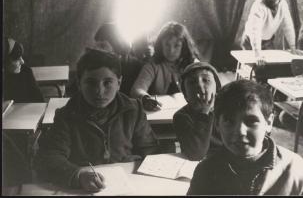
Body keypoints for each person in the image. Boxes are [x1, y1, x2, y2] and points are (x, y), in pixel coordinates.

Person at [34, 48, 159, 192]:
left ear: (119, 83)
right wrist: (78, 176)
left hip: (127, 185)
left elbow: (150, 149)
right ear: (79, 83)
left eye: (107, 83)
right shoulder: (66, 115)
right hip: (85, 188)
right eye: (91, 83)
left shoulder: (134, 110)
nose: (99, 91)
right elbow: (49, 158)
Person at [187, 80, 303, 195]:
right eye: (229, 121)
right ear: (217, 124)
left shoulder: (299, 171)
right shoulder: (205, 172)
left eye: (251, 121)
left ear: (269, 123)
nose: (240, 131)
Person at [130, 21, 200, 111]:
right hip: (160, 113)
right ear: (160, 45)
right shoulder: (153, 64)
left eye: (176, 45)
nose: (171, 50)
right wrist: (145, 98)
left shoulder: (193, 64)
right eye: (167, 45)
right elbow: (137, 89)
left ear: (184, 46)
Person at [241, 0, 300, 83]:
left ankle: (274, 93)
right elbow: (255, 31)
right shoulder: (259, 5)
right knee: (260, 68)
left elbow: (288, 26)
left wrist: (293, 47)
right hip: (251, 41)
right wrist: (257, 53)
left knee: (274, 67)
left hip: (268, 41)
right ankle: (259, 92)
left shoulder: (283, 5)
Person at [173, 62, 222, 161]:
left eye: (206, 80)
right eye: (192, 82)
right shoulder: (181, 117)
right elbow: (196, 154)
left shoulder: (226, 110)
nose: (200, 85)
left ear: (217, 89)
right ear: (185, 95)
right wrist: (204, 113)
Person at [94, 22, 145, 96]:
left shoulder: (137, 67)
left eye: (102, 46)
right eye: (96, 46)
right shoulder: (96, 64)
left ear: (116, 45)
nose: (97, 50)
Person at [3, 37, 44, 103]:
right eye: (16, 59)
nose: (22, 61)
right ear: (4, 62)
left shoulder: (26, 72)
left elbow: (40, 101)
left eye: (21, 57)